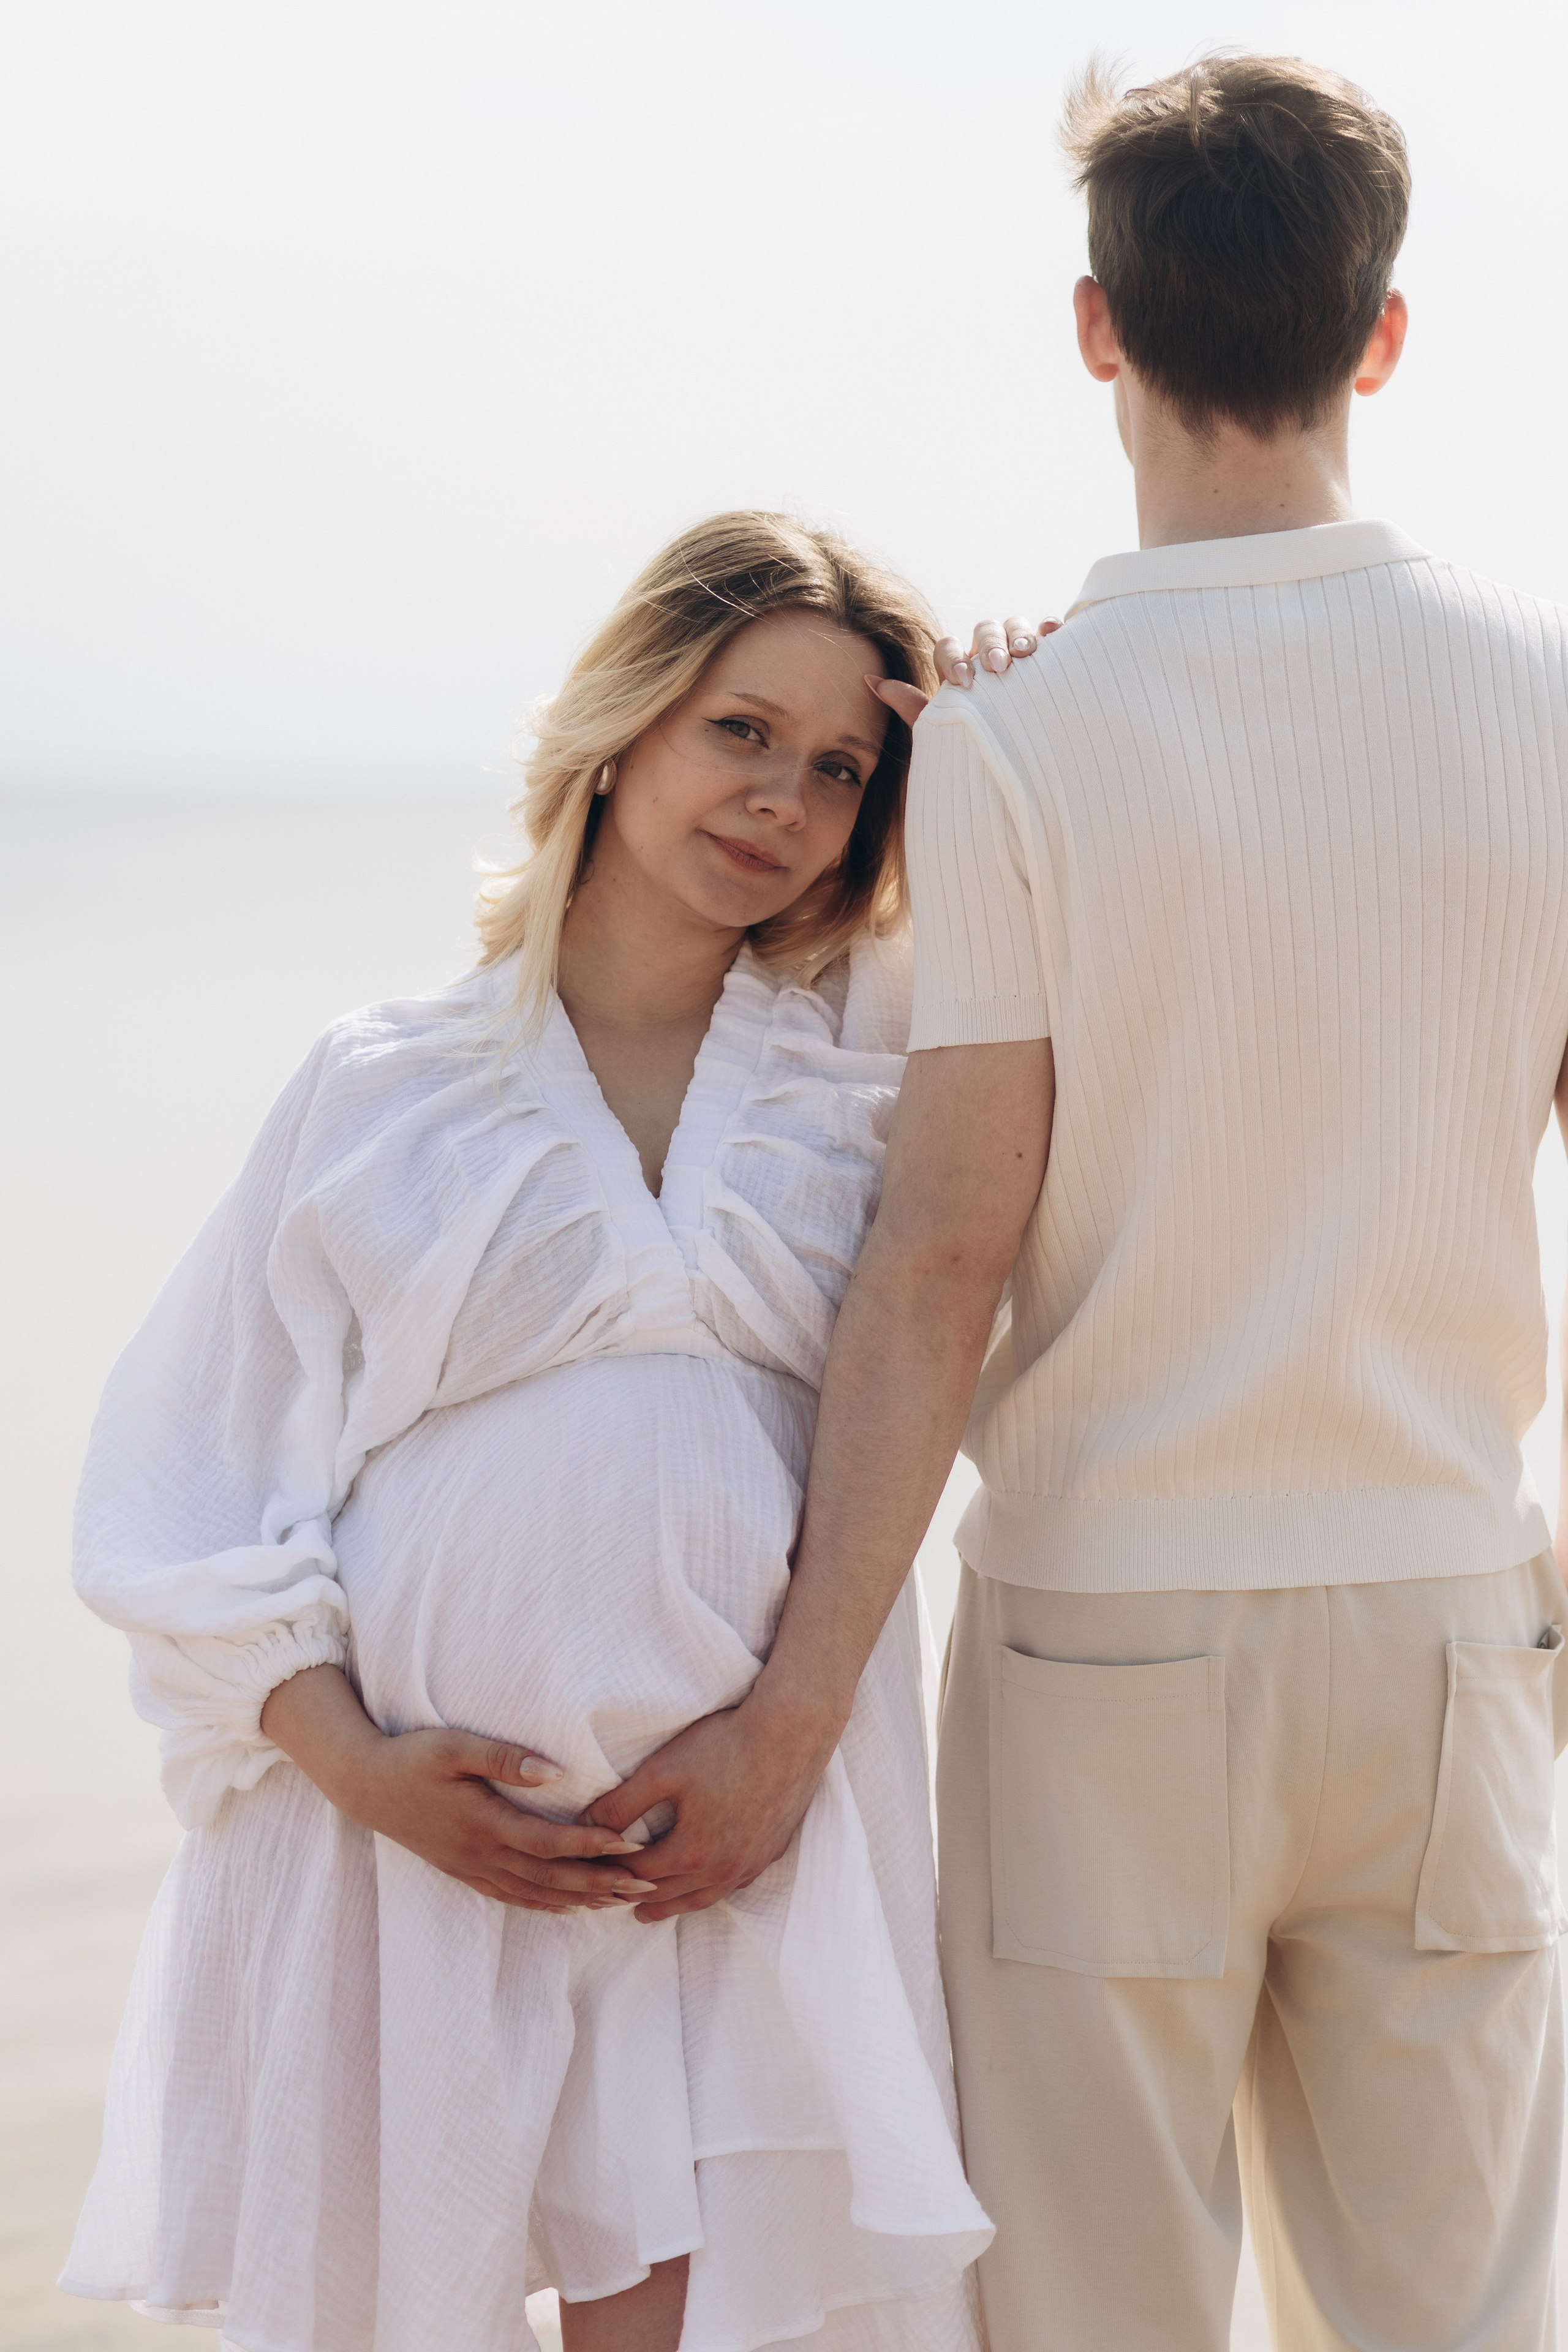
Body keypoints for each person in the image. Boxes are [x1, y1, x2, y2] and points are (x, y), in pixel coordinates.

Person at [595, 58, 1568, 2351]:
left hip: (1100, 1649)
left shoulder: (1015, 739)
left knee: (1096, 2320)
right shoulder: (1549, 702)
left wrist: (790, 1718)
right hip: (1444, 1627)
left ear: (1098, 324)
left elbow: (942, 1257)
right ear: (1384, 336)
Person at [62, 510, 997, 2352]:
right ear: (627, 727)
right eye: (741, 729)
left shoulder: (874, 1059)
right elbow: (182, 1473)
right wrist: (355, 1764)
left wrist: (998, 734)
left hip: (743, 1839)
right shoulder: (383, 1078)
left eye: (841, 768)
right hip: (422, 1846)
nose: (783, 796)